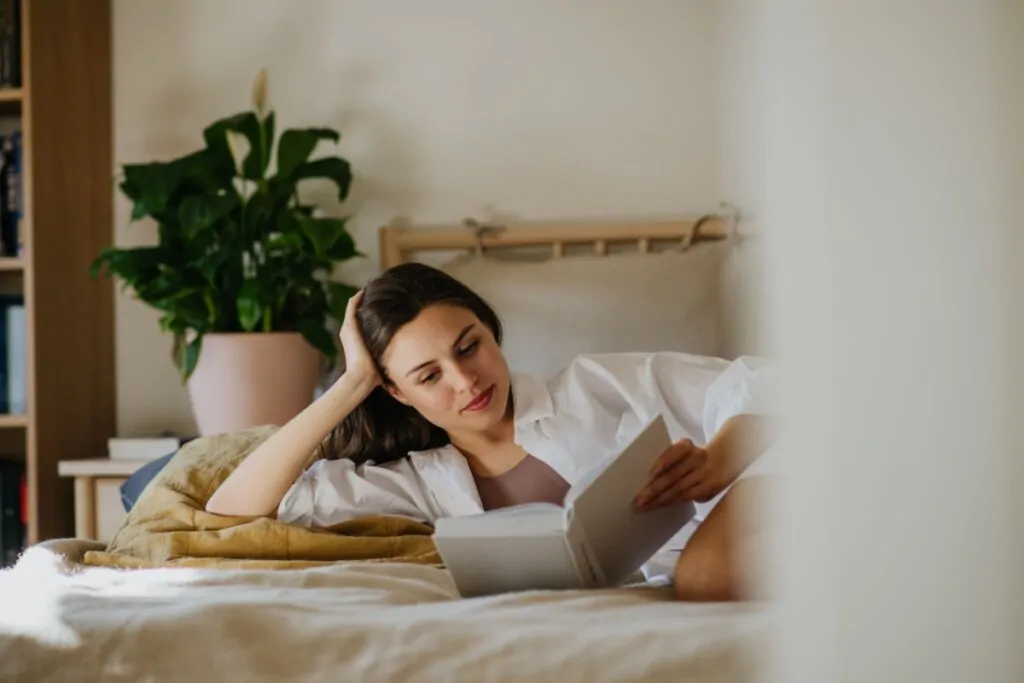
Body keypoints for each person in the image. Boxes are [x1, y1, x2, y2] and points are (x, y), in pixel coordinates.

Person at [205, 262, 777, 601]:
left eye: (469, 346)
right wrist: (352, 382)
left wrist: (724, 453)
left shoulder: (594, 385)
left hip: (768, 485)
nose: (466, 381)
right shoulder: (419, 484)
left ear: (490, 329)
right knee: (704, 580)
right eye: (429, 376)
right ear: (397, 392)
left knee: (705, 578)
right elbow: (236, 509)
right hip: (723, 562)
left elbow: (775, 382)